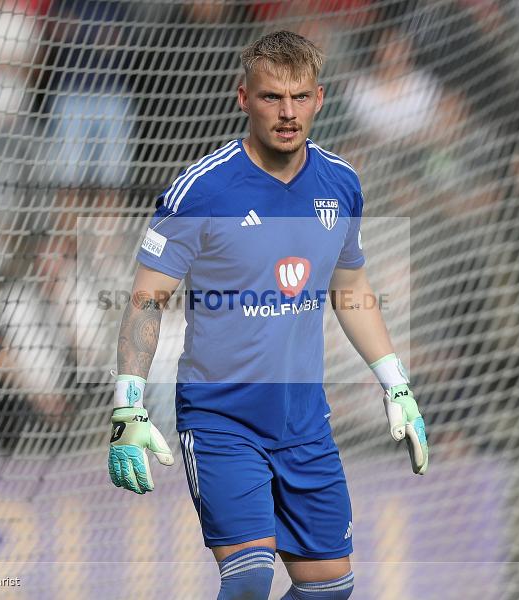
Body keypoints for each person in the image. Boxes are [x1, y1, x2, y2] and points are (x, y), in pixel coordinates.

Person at [106, 31, 428, 600]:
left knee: (331, 590)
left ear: (320, 98)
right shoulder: (201, 191)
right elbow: (145, 300)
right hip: (221, 419)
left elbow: (350, 288)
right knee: (251, 578)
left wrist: (397, 387)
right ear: (243, 98)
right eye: (272, 98)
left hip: (306, 423)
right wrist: (127, 407)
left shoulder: (341, 183)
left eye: (299, 97)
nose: (287, 113)